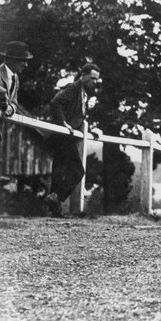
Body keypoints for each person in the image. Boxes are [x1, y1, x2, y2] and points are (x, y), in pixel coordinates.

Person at [44, 63, 101, 217]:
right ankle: (56, 197)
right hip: (63, 136)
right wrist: (64, 124)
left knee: (60, 172)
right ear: (83, 75)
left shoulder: (84, 94)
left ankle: (54, 209)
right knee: (77, 171)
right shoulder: (73, 88)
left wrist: (91, 130)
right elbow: (55, 103)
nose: (94, 82)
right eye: (92, 78)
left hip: (68, 138)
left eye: (96, 80)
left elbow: (79, 117)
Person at [0, 41, 33, 144]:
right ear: (12, 60)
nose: (26, 65)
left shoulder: (15, 78)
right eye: (23, 61)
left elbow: (14, 103)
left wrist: (10, 109)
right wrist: (2, 97)